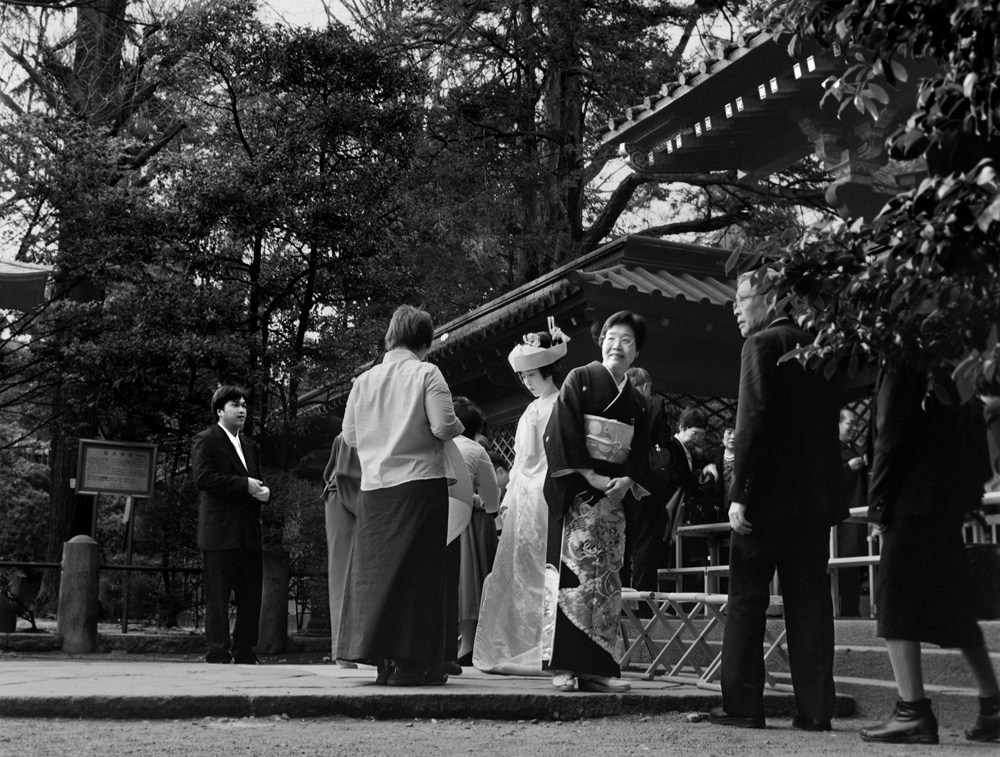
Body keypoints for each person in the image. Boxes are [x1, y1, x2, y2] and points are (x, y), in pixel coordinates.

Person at [709, 269, 847, 731]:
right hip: (814, 501)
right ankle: (815, 709)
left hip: (766, 499)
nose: (735, 308)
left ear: (769, 300)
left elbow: (753, 423)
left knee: (747, 597)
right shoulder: (816, 346)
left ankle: (744, 705)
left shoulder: (760, 345)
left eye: (740, 298)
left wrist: (739, 493)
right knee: (809, 600)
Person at [859, 364, 1000, 744]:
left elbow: (890, 437)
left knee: (894, 599)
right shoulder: (949, 361)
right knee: (956, 607)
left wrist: (879, 506)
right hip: (946, 498)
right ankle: (993, 705)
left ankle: (912, 710)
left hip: (912, 499)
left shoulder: (901, 361)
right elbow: (971, 423)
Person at [338, 305, 465, 687]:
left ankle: (381, 661)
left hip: (375, 489)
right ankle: (414, 663)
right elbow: (443, 425)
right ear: (425, 342)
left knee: (375, 575)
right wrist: (458, 424)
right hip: (419, 484)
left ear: (391, 336)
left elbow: (350, 437)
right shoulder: (427, 372)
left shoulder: (364, 381)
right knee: (419, 575)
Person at [543, 310, 651, 693]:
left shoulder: (637, 402)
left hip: (615, 500)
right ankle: (565, 667)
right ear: (600, 341)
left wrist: (628, 479)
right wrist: (589, 474)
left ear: (636, 352)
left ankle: (599, 667)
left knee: (606, 585)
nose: (616, 345)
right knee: (573, 580)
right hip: (580, 494)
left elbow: (639, 451)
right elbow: (563, 431)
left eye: (626, 340)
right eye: (610, 337)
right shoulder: (580, 379)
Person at [474, 323, 567, 675]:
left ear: (548, 370)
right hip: (525, 493)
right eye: (524, 376)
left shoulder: (561, 404)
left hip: (547, 491)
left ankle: (548, 643)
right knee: (520, 568)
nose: (527, 382)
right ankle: (525, 642)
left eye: (532, 374)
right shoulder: (531, 410)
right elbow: (519, 462)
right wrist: (510, 495)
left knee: (545, 569)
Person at [191, 384, 271, 665]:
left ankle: (245, 650)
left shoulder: (249, 445)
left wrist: (263, 492)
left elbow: (255, 480)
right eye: (235, 405)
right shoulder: (207, 440)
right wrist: (244, 485)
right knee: (218, 597)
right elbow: (203, 479)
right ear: (219, 410)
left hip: (248, 532)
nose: (241, 410)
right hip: (219, 532)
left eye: (244, 405)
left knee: (251, 597)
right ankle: (218, 651)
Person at [630, 405, 707, 592]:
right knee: (658, 553)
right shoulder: (671, 448)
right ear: (682, 427)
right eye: (695, 433)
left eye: (701, 435)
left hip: (676, 511)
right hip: (666, 506)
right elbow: (677, 477)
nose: (698, 438)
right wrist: (696, 479)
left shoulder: (692, 452)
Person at [452, 397, 501, 665]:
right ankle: (469, 644)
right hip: (472, 521)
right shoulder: (476, 450)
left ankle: (456, 643)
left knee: (457, 581)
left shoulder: (438, 446)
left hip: (436, 518)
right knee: (473, 581)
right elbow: (492, 499)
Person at [622, 367, 674, 590]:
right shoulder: (654, 404)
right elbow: (663, 441)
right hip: (647, 483)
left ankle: (620, 599)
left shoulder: (617, 404)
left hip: (620, 481)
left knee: (622, 541)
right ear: (645, 386)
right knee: (646, 542)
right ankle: (644, 602)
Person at [322, 433, 361, 669]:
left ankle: (349, 650)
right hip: (346, 498)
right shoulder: (350, 433)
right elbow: (345, 474)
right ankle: (343, 651)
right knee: (343, 573)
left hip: (353, 496)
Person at [835, 408, 868, 617]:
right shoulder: (831, 450)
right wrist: (848, 468)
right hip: (842, 519)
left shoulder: (857, 449)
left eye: (856, 423)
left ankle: (852, 610)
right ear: (838, 423)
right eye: (850, 423)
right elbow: (826, 481)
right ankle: (847, 612)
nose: (854, 427)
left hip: (860, 517)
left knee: (857, 566)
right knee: (845, 565)